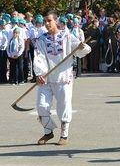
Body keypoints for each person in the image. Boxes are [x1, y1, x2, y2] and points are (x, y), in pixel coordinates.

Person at [32, 11, 91, 146]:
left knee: (64, 105)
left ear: (56, 21)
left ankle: (64, 135)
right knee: (41, 106)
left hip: (63, 77)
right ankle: (49, 131)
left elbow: (81, 49)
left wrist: (82, 47)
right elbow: (39, 57)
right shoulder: (42, 39)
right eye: (45, 21)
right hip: (46, 78)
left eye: (49, 21)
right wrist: (39, 74)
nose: (47, 24)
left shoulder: (66, 36)